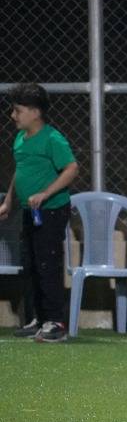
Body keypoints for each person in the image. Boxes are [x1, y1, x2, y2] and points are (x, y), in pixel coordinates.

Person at [0, 84, 79, 343]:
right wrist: (9, 201)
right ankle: (38, 318)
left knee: (47, 264)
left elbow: (71, 169)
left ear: (35, 112)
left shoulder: (52, 138)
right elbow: (21, 171)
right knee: (31, 264)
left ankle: (55, 322)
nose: (13, 115)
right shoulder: (20, 138)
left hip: (51, 211)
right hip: (29, 210)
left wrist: (45, 193)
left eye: (18, 110)